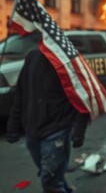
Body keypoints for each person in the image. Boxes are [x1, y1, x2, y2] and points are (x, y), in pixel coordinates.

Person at [7, 48, 90, 193]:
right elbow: (20, 94)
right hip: (32, 132)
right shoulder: (32, 56)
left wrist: (79, 131)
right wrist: (12, 126)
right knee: (50, 174)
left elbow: (82, 96)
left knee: (50, 182)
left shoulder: (66, 58)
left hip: (56, 132)